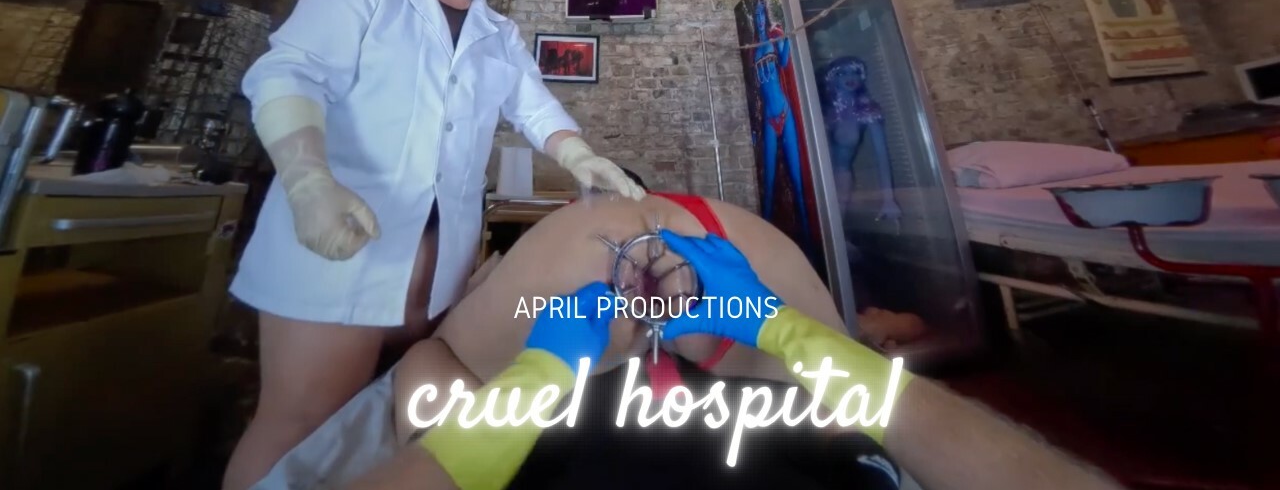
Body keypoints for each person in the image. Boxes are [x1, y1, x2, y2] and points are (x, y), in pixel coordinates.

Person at [222, 0, 645, 490]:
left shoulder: (498, 33)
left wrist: (578, 154)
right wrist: (306, 178)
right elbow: (288, 72)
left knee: (384, 419)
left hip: (436, 264)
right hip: (341, 239)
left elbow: (533, 106)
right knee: (301, 422)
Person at [337, 190, 1126, 490]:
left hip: (572, 406)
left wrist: (539, 374)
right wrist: (784, 329)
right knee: (432, 358)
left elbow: (428, 368)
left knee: (430, 357)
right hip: (736, 381)